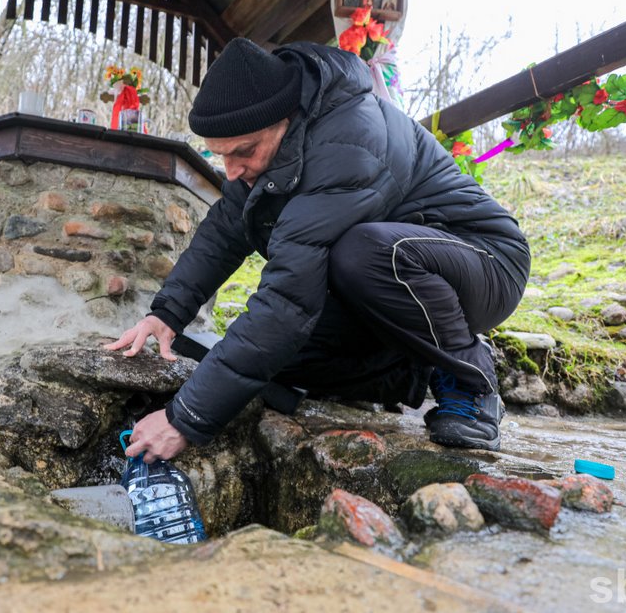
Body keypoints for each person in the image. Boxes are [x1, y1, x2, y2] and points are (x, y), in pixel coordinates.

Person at [106, 38, 530, 463]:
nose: (232, 172)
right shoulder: (275, 152)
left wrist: (186, 418)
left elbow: (287, 301)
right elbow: (222, 231)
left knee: (358, 254)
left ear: (284, 120)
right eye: (222, 157)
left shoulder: (349, 142)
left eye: (243, 153)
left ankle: (469, 379)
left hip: (484, 262)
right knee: (271, 360)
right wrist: (166, 314)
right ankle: (407, 368)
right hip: (397, 283)